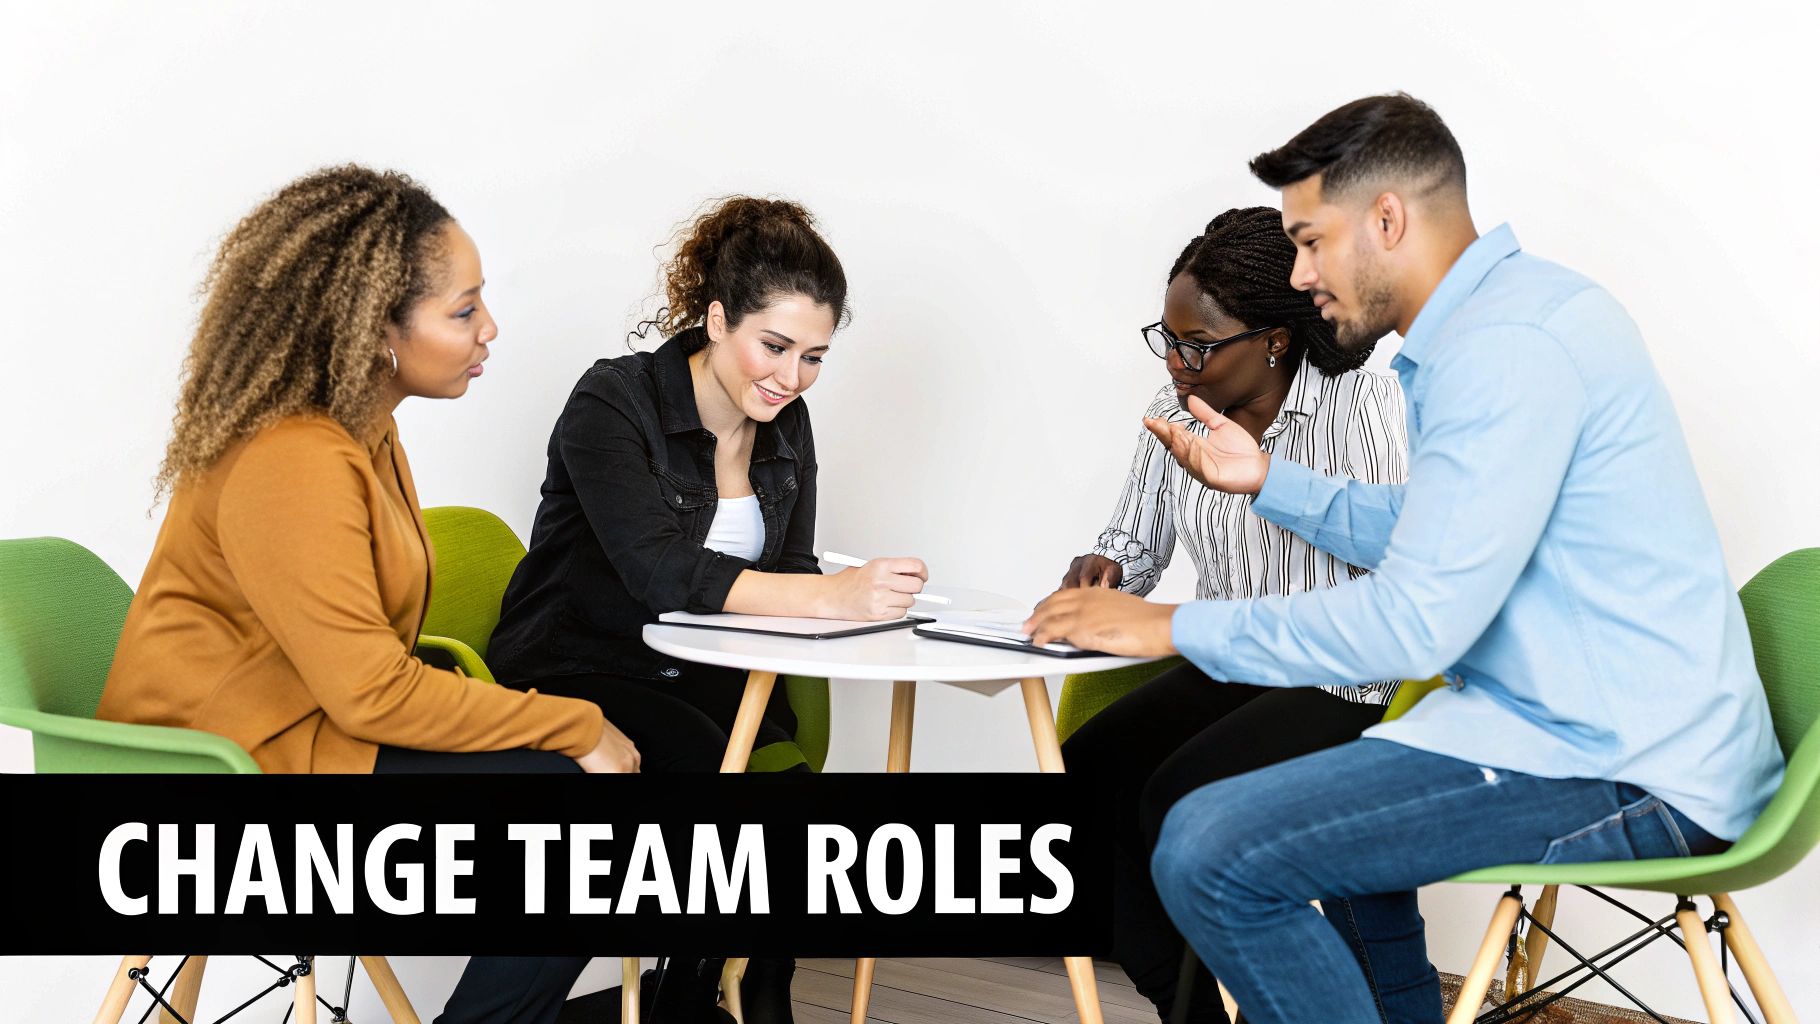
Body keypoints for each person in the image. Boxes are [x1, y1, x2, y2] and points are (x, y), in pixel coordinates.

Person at [1023, 93, 1784, 1024]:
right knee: (1298, 829)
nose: (1300, 276)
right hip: (1547, 728)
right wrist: (1271, 481)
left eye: (1310, 241)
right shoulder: (1510, 316)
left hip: (1627, 764)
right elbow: (1445, 531)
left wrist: (1168, 624)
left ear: (1387, 221)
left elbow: (1418, 619)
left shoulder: (1506, 349)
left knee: (1210, 845)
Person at [97, 165, 639, 1024]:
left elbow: (365, 665)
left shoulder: (362, 429)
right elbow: (371, 690)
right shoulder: (295, 456)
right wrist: (574, 722)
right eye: (462, 311)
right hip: (222, 775)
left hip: (300, 731)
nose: (489, 328)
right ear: (374, 329)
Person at [489, 196, 925, 1024]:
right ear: (718, 319)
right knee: (706, 768)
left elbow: (789, 564)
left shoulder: (787, 424)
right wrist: (831, 596)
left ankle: (741, 994)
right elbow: (658, 569)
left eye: (814, 358)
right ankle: (690, 1001)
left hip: (699, 674)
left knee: (789, 795)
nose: (790, 378)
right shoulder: (614, 402)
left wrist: (851, 605)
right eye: (774, 347)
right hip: (580, 664)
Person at [1056, 206, 1424, 1023]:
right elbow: (1136, 544)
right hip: (1234, 663)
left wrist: (1267, 482)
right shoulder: (1174, 404)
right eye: (1169, 339)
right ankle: (1185, 1011)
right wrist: (1106, 569)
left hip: (1348, 679)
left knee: (1182, 799)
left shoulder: (1360, 401)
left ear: (1275, 340)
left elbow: (1401, 554)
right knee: (1079, 777)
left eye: (1200, 344)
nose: (1181, 364)